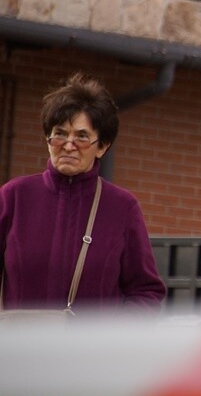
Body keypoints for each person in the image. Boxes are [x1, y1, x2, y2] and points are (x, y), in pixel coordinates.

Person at [0, 72, 166, 313]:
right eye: (60, 134)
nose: (69, 145)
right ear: (48, 139)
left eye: (82, 136)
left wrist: (112, 331)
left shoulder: (122, 207)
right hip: (20, 338)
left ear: (102, 147)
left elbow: (146, 292)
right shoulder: (13, 198)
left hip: (94, 339)